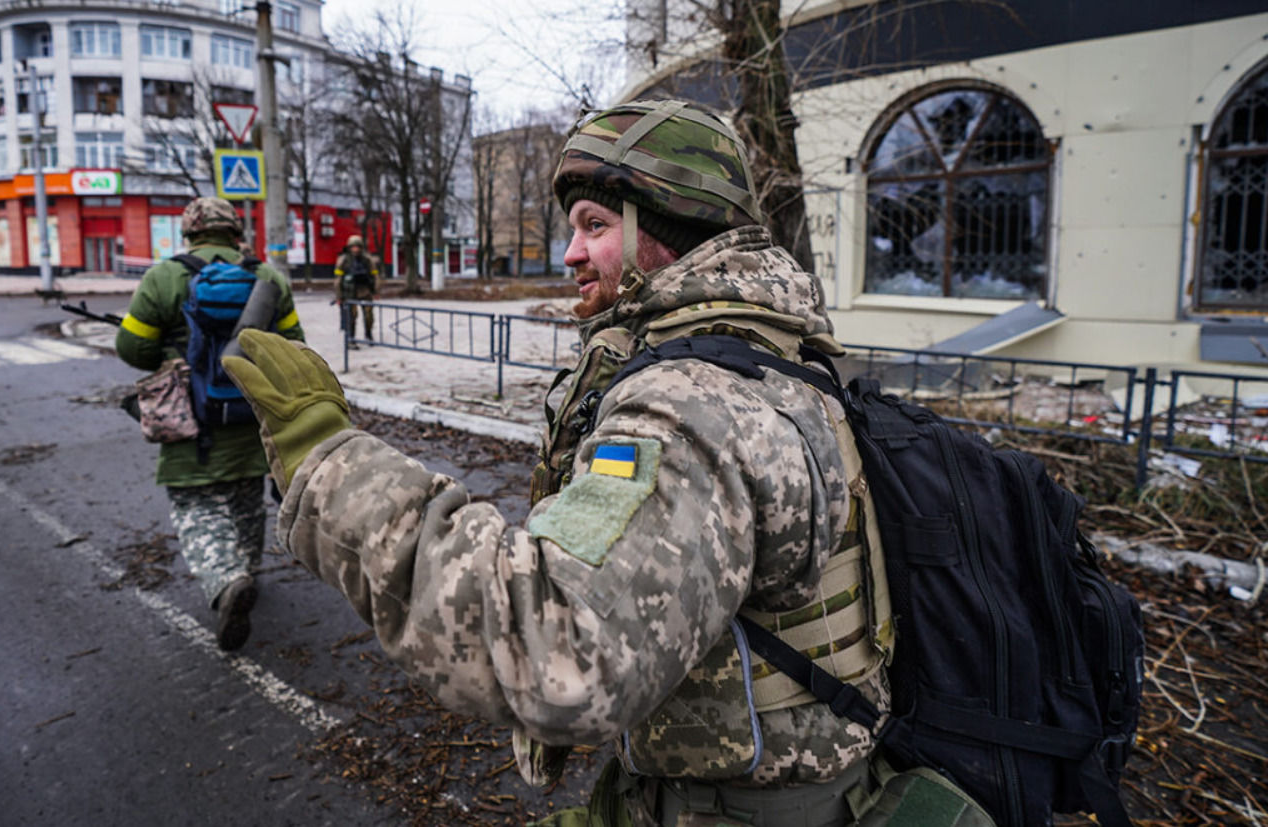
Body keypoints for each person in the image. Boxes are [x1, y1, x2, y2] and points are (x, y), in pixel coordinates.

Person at [223, 101, 904, 825]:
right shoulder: (774, 356)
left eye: (595, 225)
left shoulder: (694, 404)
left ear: (662, 230)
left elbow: (559, 648)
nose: (570, 253)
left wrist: (325, 458)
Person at [115, 196, 305, 652]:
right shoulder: (267, 278)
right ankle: (248, 571)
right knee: (245, 497)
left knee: (197, 505)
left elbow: (131, 348)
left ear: (191, 231)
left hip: (190, 420)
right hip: (251, 415)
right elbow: (295, 345)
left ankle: (227, 579)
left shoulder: (164, 277)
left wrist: (173, 353)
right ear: (235, 232)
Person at [333, 234, 377, 345]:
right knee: (351, 316)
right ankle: (351, 339)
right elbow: (338, 280)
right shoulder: (343, 260)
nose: (355, 249)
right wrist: (339, 296)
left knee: (368, 315)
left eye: (357, 247)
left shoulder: (367, 259)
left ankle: (368, 335)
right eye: (353, 247)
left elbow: (375, 276)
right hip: (349, 292)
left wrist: (375, 291)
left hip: (365, 290)